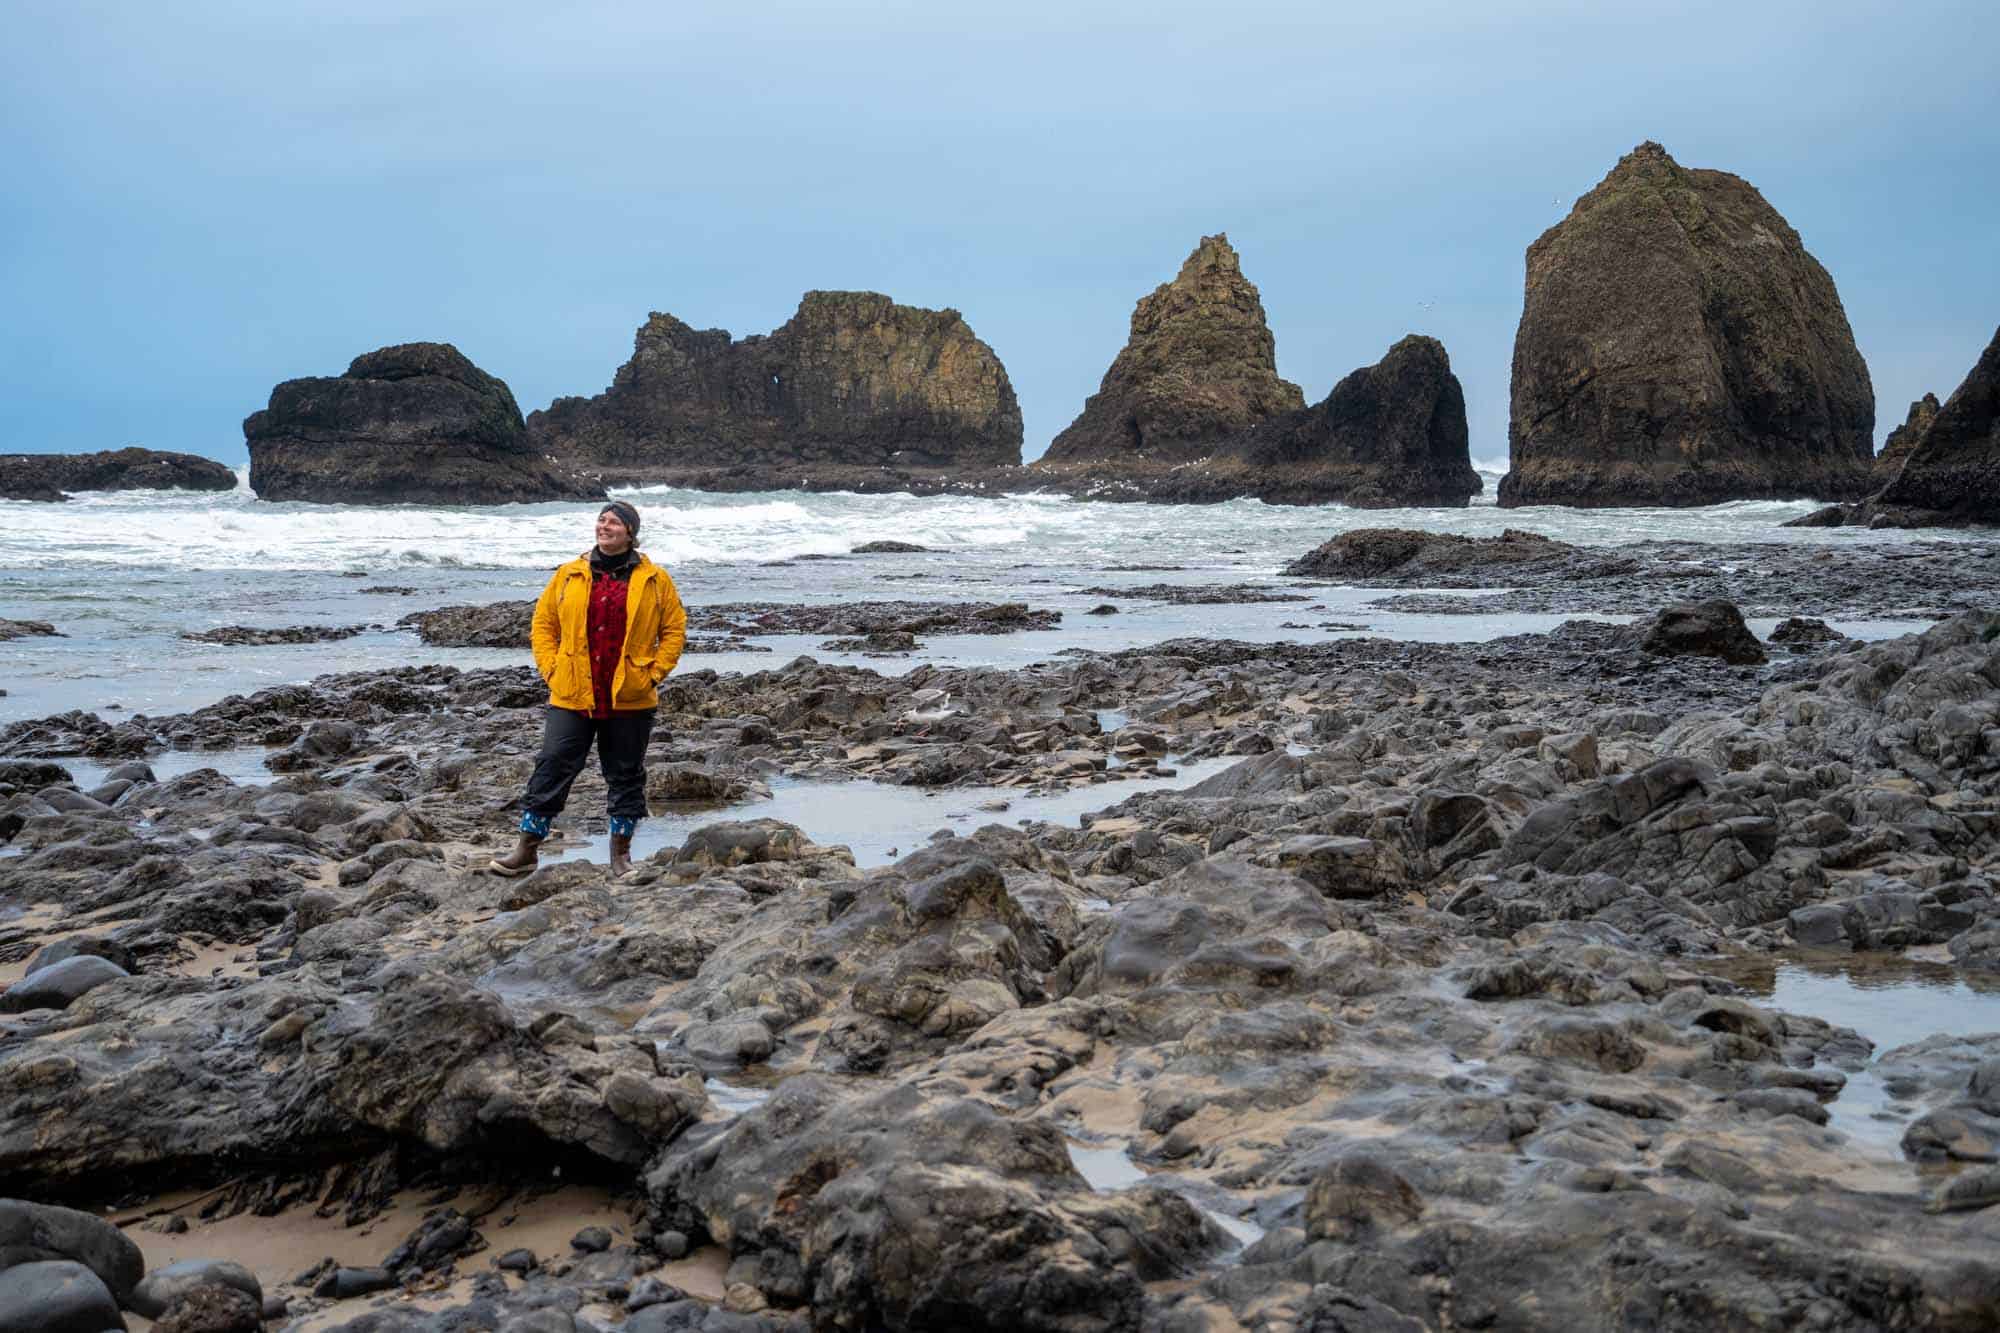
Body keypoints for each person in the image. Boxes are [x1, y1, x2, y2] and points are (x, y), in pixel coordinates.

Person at [489, 500, 687, 878]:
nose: (605, 526)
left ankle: (620, 857)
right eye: (601, 520)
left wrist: (653, 674)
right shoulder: (568, 574)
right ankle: (527, 849)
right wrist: (552, 669)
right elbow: (543, 625)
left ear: (630, 532)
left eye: (614, 522)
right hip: (572, 693)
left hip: (629, 696)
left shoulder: (655, 579)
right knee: (552, 765)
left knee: (626, 774)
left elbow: (674, 629)